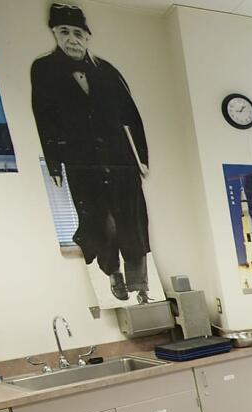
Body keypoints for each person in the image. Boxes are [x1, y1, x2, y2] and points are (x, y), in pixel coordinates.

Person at [30, 3, 151, 303]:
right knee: (102, 224)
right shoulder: (44, 70)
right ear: (55, 34)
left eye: (77, 32)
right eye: (64, 32)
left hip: (120, 162)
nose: (71, 39)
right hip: (82, 164)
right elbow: (43, 119)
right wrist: (55, 165)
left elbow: (132, 116)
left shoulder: (106, 71)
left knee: (132, 223)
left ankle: (141, 285)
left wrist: (142, 158)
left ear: (87, 35)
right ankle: (114, 274)